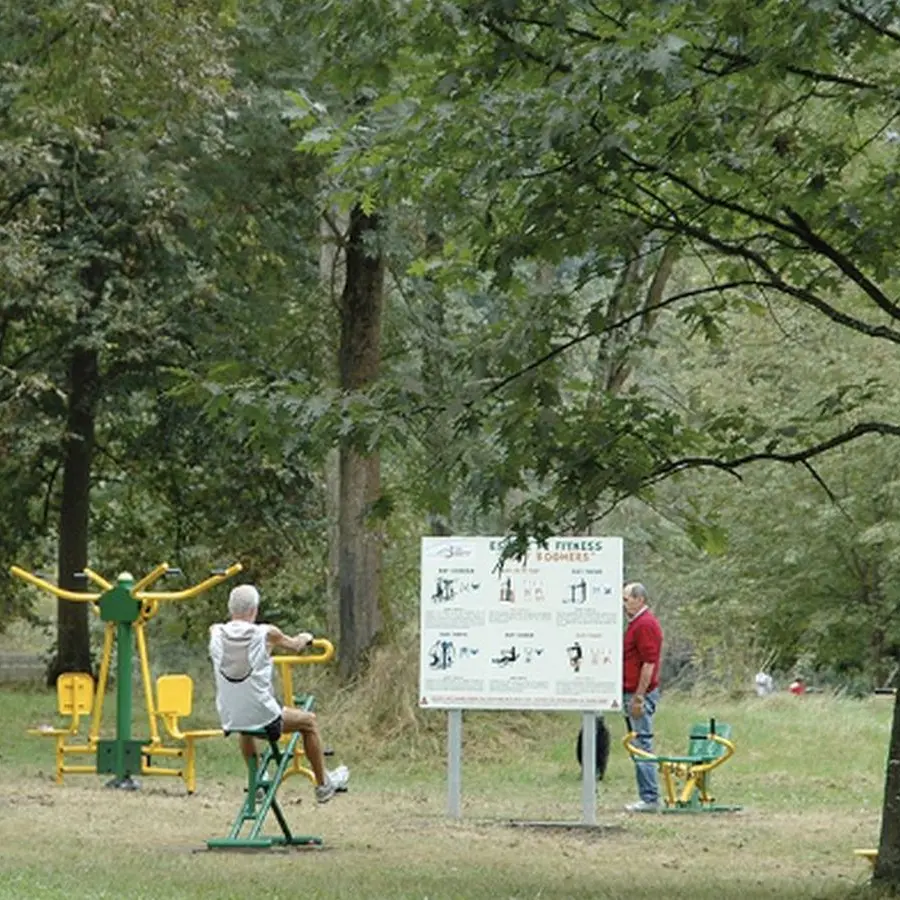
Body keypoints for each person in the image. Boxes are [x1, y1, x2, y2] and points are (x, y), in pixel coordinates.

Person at [208, 584, 349, 803]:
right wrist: (305, 637)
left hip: (229, 716)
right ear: (254, 610)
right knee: (309, 722)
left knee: (246, 728)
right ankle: (323, 784)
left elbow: (235, 647)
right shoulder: (266, 633)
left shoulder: (215, 632)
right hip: (265, 717)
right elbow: (295, 646)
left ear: (230, 609)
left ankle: (258, 780)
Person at [622, 581, 664, 812]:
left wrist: (639, 697)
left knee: (642, 744)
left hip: (639, 694)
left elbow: (649, 664)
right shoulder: (635, 624)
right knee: (636, 743)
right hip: (630, 690)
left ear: (640, 600)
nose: (624, 604)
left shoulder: (645, 625)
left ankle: (650, 798)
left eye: (627, 599)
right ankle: (647, 795)